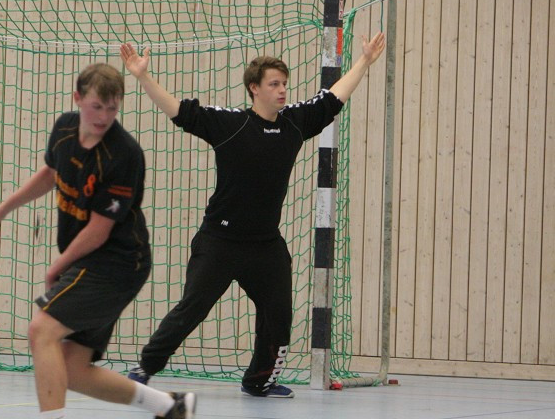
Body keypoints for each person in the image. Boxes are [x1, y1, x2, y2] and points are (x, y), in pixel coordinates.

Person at [119, 32, 387, 398]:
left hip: (265, 244)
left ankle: (260, 379)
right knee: (191, 310)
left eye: (285, 84)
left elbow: (333, 99)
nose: (282, 91)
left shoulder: (294, 122)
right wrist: (143, 76)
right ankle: (145, 367)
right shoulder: (232, 125)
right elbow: (181, 112)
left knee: (278, 314)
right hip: (220, 241)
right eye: (274, 84)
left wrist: (364, 61)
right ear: (254, 88)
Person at [0, 62, 195, 419]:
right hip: (88, 262)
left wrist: (57, 264)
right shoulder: (63, 129)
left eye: (112, 109)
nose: (103, 117)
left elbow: (99, 229)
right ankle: (170, 408)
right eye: (96, 107)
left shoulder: (125, 154)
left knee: (41, 330)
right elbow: (50, 173)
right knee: (72, 369)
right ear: (78, 100)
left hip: (116, 262)